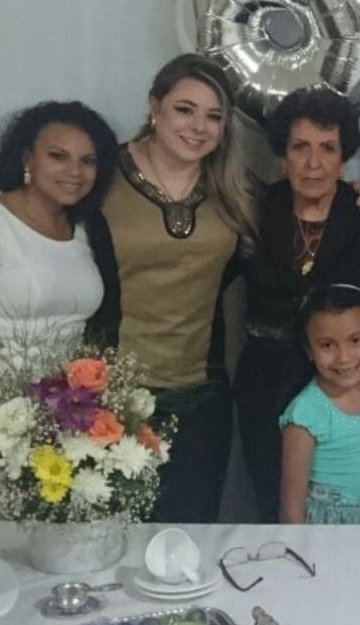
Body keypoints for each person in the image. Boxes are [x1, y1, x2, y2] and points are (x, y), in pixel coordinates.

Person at [86, 53, 258, 523]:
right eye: (185, 109)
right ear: (155, 107)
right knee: (115, 534)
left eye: (214, 116)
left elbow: (304, 207)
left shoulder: (235, 188)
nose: (198, 127)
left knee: (190, 534)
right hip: (111, 394)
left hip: (201, 395)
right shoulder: (100, 174)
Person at [234, 88, 360, 522]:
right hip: (265, 383)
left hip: (343, 387)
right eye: (300, 147)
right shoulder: (254, 212)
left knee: (346, 504)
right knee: (276, 507)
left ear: (343, 159)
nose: (313, 163)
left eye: (328, 148)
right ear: (281, 156)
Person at [0, 101, 119, 465]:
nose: (75, 171)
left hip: (59, 419)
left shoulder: (83, 228)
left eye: (88, 161)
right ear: (27, 159)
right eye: (58, 156)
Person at [279, 283, 360, 524]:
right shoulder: (305, 412)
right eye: (327, 345)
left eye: (355, 340)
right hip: (327, 531)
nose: (344, 357)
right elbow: (291, 507)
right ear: (309, 349)